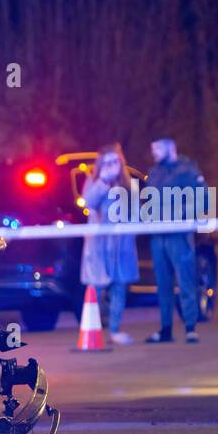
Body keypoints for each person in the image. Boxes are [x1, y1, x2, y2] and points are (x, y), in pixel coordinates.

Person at [144, 136, 206, 344]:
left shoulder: (188, 170)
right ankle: (166, 329)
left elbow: (203, 197)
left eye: (158, 148)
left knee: (186, 281)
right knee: (163, 285)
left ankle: (190, 327)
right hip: (158, 235)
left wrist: (186, 217)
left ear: (170, 148)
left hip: (179, 235)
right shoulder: (154, 173)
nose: (154, 153)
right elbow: (148, 201)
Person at [80, 143, 139, 346]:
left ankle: (115, 330)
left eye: (115, 161)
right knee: (95, 288)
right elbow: (88, 202)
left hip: (121, 245)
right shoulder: (93, 181)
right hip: (99, 244)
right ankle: (91, 330)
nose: (112, 166)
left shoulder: (128, 183)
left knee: (119, 287)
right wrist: (103, 182)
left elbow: (136, 212)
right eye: (107, 162)